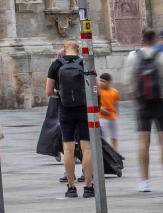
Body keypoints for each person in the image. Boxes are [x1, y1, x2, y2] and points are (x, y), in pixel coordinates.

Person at [125, 28, 163, 193]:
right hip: (161, 102)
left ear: (142, 40)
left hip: (143, 103)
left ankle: (144, 182)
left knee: (143, 142)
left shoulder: (133, 56)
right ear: (155, 40)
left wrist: (137, 100)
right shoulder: (162, 56)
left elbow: (129, 81)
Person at [46, 39, 92, 198]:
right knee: (87, 148)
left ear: (64, 50)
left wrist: (60, 95)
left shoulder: (56, 65)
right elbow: (96, 88)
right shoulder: (85, 63)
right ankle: (88, 186)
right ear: (78, 49)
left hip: (65, 109)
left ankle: (71, 187)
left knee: (68, 148)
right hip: (83, 109)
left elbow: (48, 92)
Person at [98, 71, 119, 154]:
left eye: (103, 81)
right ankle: (104, 152)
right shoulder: (98, 91)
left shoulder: (115, 92)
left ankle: (115, 153)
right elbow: (96, 103)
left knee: (114, 136)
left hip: (113, 118)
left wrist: (116, 115)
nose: (101, 83)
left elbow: (116, 105)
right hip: (102, 118)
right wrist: (101, 109)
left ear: (109, 82)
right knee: (103, 137)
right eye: (100, 80)